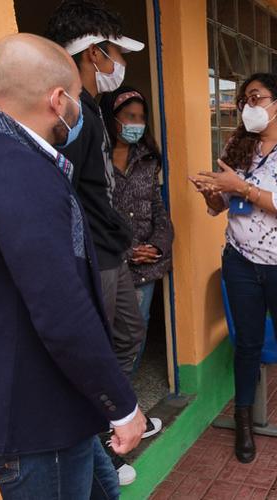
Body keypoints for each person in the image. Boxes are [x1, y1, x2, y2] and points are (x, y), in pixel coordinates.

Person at [0, 34, 147, 500]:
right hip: (35, 417)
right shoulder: (19, 173)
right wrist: (123, 406)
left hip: (51, 405)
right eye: (76, 100)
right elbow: (61, 309)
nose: (80, 113)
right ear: (57, 100)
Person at [45, 1, 158, 484]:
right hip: (95, 253)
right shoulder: (74, 116)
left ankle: (118, 416)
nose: (118, 64)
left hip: (111, 249)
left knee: (128, 335)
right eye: (115, 52)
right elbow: (70, 193)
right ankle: (106, 439)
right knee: (101, 345)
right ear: (94, 53)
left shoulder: (90, 109)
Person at [189, 73, 277, 464]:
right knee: (246, 344)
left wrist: (242, 187)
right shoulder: (237, 144)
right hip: (240, 261)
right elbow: (221, 208)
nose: (248, 106)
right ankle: (243, 421)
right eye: (244, 99)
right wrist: (214, 195)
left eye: (255, 97)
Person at [99, 86, 173, 334]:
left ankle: (127, 375)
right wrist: (128, 251)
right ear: (112, 118)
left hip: (146, 266)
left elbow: (157, 209)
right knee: (107, 332)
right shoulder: (97, 159)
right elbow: (92, 216)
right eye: (131, 116)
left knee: (135, 332)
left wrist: (157, 246)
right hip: (110, 262)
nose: (137, 123)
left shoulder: (148, 158)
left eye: (141, 118)